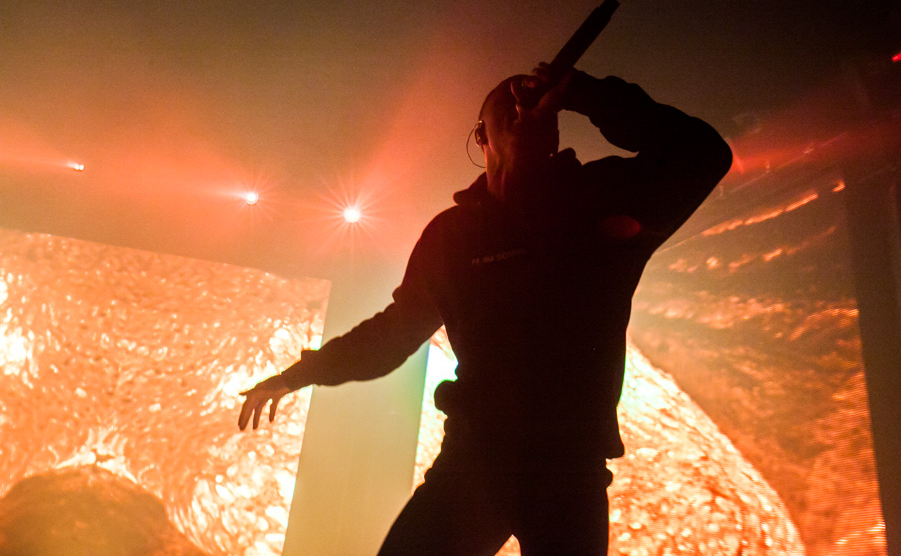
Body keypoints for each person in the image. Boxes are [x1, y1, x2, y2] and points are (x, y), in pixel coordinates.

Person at [238, 64, 732, 555]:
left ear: (557, 130)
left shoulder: (601, 198)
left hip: (569, 471)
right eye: (511, 106)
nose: (527, 112)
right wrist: (302, 372)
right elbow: (392, 335)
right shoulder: (452, 237)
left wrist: (585, 91)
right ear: (482, 136)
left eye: (542, 109)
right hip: (475, 463)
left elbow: (705, 154)